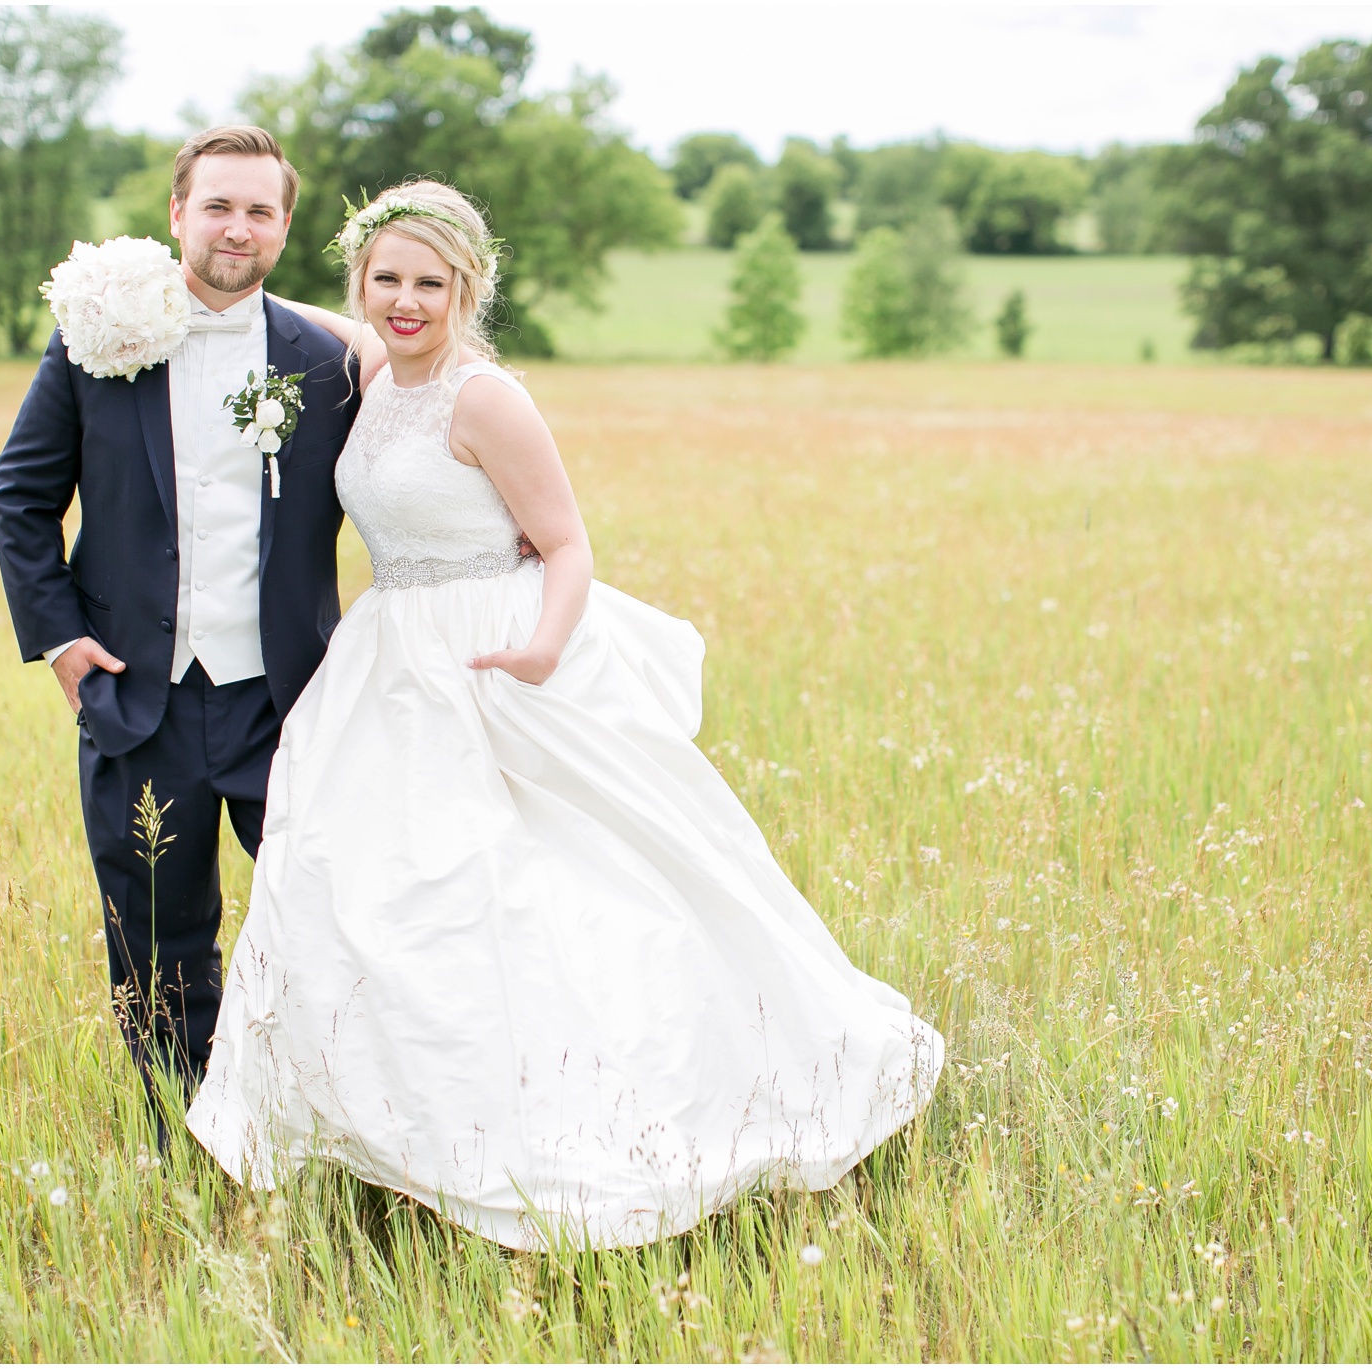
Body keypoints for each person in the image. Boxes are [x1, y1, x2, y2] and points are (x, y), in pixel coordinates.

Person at [186, 179, 944, 1250]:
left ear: (467, 289)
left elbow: (569, 542)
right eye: (386, 279)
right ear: (361, 282)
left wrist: (540, 644)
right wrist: (162, 276)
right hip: (386, 665)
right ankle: (402, 1129)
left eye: (430, 284)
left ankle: (573, 1119)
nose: (406, 301)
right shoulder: (366, 366)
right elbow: (282, 315)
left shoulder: (484, 396)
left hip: (496, 651)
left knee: (532, 893)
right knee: (371, 888)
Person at [0, 126, 359, 1145]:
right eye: (217, 206)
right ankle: (183, 1141)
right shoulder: (93, 339)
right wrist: (59, 640)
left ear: (284, 226)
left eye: (259, 210)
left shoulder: (323, 363)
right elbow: (21, 496)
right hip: (135, 699)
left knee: (329, 923)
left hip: (286, 702)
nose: (236, 228)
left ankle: (324, 1131)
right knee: (157, 943)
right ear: (177, 215)